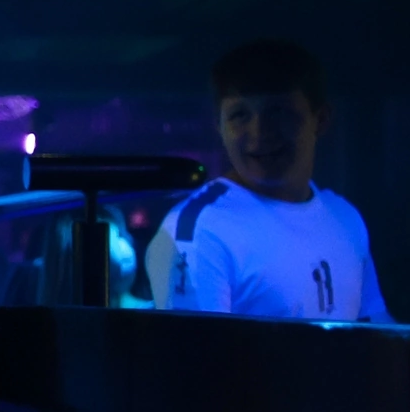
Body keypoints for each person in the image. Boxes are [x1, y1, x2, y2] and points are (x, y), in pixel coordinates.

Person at [147, 40, 389, 322]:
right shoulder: (199, 230)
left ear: (321, 119)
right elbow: (194, 348)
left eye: (279, 112)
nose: (259, 132)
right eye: (240, 115)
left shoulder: (345, 218)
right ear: (219, 126)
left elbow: (377, 328)